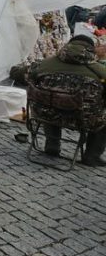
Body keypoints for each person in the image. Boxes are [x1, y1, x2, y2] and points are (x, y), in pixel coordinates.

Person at [29, 35, 106, 167]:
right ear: (91, 50)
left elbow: (22, 74)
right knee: (101, 115)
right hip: (82, 119)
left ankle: (52, 144)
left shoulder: (45, 64)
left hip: (45, 114)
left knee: (51, 103)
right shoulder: (100, 71)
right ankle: (92, 156)